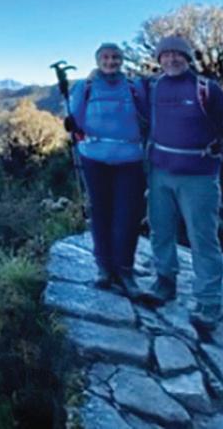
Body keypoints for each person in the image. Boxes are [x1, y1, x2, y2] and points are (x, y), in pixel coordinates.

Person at [144, 35, 223, 331]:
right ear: (159, 59)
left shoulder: (206, 89)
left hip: (199, 176)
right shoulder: (155, 87)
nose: (171, 59)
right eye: (165, 55)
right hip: (160, 173)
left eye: (177, 54)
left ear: (188, 58)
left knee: (202, 239)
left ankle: (208, 303)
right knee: (160, 231)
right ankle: (165, 283)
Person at [66, 43, 148, 298]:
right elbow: (76, 120)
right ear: (97, 60)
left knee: (128, 215)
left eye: (115, 57)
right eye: (105, 57)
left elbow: (148, 115)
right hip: (94, 157)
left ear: (122, 60)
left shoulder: (134, 87)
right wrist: (70, 124)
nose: (110, 62)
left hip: (130, 159)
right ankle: (104, 268)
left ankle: (124, 269)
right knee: (100, 212)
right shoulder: (85, 87)